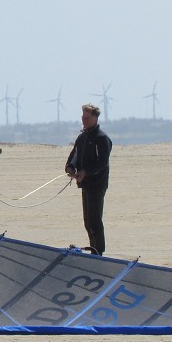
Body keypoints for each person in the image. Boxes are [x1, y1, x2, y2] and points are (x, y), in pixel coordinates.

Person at [65, 104, 112, 255]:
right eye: (83, 117)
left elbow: (102, 163)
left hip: (97, 185)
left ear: (95, 118)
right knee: (87, 222)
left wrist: (86, 172)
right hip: (84, 184)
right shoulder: (82, 137)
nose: (84, 120)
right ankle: (94, 250)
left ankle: (99, 253)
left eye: (87, 118)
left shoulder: (102, 138)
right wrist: (70, 167)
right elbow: (74, 155)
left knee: (95, 221)